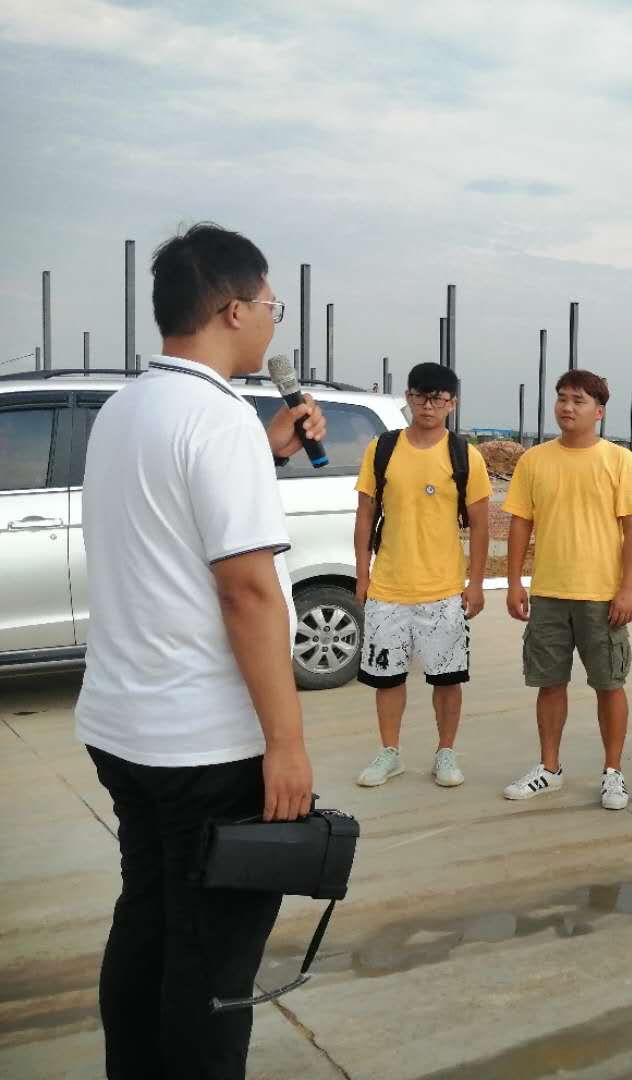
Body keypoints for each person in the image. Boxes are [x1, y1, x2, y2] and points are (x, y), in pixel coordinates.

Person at [76, 223, 323, 1078]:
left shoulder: (126, 408)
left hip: (124, 729)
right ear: (232, 310)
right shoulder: (217, 419)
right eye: (271, 305)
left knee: (148, 920)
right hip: (206, 747)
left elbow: (170, 525)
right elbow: (247, 592)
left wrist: (267, 450)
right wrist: (286, 743)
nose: (273, 321)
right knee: (213, 962)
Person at [502, 369, 632, 810]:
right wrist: (514, 581)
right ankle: (549, 768)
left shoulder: (620, 461)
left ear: (598, 411)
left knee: (609, 684)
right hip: (549, 593)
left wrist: (627, 589)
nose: (567, 407)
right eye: (562, 398)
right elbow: (520, 524)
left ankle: (613, 773)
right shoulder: (534, 460)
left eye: (579, 400)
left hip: (602, 596)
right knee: (549, 683)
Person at [352, 362, 491, 789]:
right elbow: (365, 514)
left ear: (452, 403)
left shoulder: (464, 455)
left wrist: (475, 583)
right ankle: (389, 752)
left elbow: (481, 525)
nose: (428, 406)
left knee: (447, 680)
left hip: (444, 590)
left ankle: (445, 752)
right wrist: (362, 575)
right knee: (387, 678)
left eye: (437, 398)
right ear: (408, 398)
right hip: (387, 587)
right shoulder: (382, 449)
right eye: (420, 396)